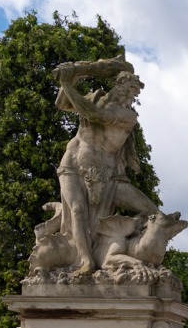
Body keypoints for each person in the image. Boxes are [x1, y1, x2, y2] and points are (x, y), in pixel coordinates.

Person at [52, 59, 159, 276]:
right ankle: (86, 261)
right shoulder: (96, 99)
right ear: (117, 85)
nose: (131, 96)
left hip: (107, 174)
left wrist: (69, 83)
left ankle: (124, 246)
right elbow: (62, 104)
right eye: (129, 89)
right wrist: (73, 76)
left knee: (151, 211)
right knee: (78, 211)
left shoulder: (127, 116)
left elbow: (94, 115)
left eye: (134, 93)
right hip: (72, 164)